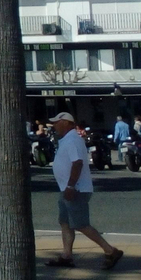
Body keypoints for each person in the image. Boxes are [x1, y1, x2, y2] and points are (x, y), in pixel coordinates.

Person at [46, 112, 122, 270]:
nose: (54, 125)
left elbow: (77, 163)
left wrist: (71, 186)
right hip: (66, 188)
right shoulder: (66, 140)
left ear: (67, 123)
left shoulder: (73, 140)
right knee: (65, 222)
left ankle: (110, 250)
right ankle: (67, 256)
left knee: (80, 224)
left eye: (56, 122)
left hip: (76, 189)